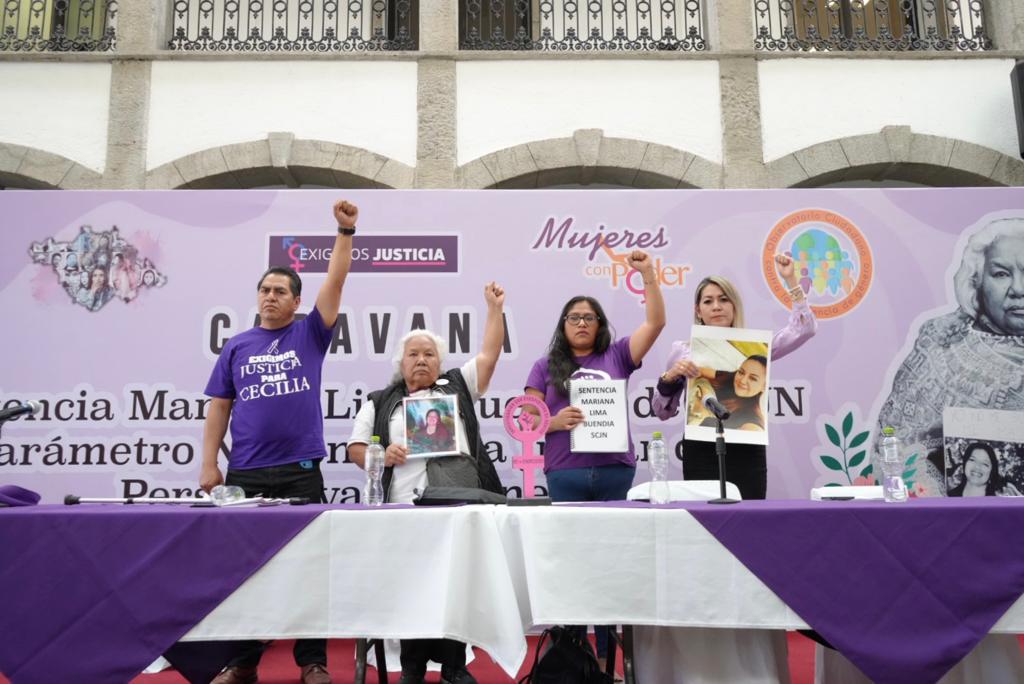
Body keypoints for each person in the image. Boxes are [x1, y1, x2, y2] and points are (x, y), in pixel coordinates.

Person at [199, 199, 359, 684]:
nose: (270, 297)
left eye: (280, 291)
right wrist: (210, 465)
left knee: (309, 567)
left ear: (296, 301)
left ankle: (312, 661)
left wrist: (344, 231)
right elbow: (219, 407)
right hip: (245, 472)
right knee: (245, 571)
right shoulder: (237, 345)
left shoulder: (310, 334)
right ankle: (243, 663)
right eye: (264, 290)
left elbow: (335, 282)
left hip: (300, 469)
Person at [347, 282, 507, 684]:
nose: (421, 360)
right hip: (404, 507)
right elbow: (355, 448)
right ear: (400, 363)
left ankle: (454, 665)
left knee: (457, 582)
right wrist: (382, 456)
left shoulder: (458, 387)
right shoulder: (380, 400)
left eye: (429, 353)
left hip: (458, 502)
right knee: (411, 584)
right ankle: (414, 665)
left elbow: (489, 354)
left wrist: (494, 309)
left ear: (440, 361)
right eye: (413, 354)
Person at [523, 250, 665, 668]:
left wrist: (649, 275)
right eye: (574, 317)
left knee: (612, 567)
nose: (582, 323)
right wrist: (553, 422)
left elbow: (656, 323)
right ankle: (571, 661)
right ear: (562, 326)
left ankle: (607, 663)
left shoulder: (618, 355)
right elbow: (526, 420)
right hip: (565, 473)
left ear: (600, 325)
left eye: (589, 317)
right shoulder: (544, 365)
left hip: (614, 472)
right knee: (572, 566)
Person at [876, 217, 1024, 495]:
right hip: (945, 516)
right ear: (976, 280)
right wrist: (941, 500)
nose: (1018, 288)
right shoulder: (941, 340)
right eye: (1002, 273)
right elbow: (896, 440)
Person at [653, 254, 817, 500]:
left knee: (749, 520)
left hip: (747, 447)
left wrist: (791, 280)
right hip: (701, 449)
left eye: (723, 299)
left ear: (734, 306)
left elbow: (803, 329)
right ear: (698, 311)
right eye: (708, 301)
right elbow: (663, 411)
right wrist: (668, 379)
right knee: (705, 523)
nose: (717, 306)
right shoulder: (682, 350)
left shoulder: (754, 347)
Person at [688, 354, 768, 431]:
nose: (742, 381)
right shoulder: (731, 377)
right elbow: (697, 371)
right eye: (741, 372)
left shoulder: (752, 418)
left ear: (764, 386)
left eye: (753, 378)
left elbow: (755, 431)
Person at [946, 442, 1021, 497]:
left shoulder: (1003, 498)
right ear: (965, 463)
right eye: (972, 460)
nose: (977, 467)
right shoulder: (948, 496)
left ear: (992, 470)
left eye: (985, 464)